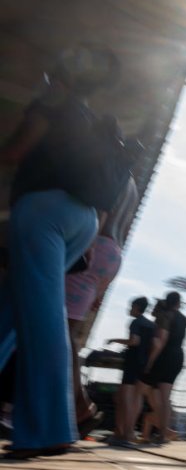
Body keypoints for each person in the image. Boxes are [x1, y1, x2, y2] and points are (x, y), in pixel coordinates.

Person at [0, 44, 122, 459]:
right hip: (84, 220)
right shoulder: (94, 121)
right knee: (11, 314)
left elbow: (15, 152)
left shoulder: (53, 102)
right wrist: (88, 241)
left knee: (43, 318)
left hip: (42, 211)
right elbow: (105, 195)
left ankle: (50, 427)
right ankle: (51, 420)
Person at [65, 173, 139, 439]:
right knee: (66, 330)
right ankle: (74, 408)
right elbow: (125, 228)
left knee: (60, 331)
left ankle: (80, 407)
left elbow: (101, 208)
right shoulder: (132, 185)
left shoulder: (112, 167)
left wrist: (85, 247)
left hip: (94, 244)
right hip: (112, 253)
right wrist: (103, 286)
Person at [140, 292, 186, 444]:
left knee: (148, 391)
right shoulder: (183, 319)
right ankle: (163, 434)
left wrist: (150, 363)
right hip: (178, 355)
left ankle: (161, 431)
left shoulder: (166, 316)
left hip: (165, 356)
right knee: (165, 397)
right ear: (178, 303)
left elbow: (162, 340)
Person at [106, 297, 154, 445]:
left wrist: (114, 340)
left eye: (131, 306)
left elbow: (134, 341)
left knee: (125, 398)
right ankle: (121, 432)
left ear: (138, 307)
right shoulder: (151, 325)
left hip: (132, 362)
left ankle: (126, 434)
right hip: (144, 365)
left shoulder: (136, 322)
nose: (129, 309)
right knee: (129, 398)